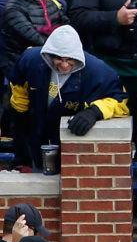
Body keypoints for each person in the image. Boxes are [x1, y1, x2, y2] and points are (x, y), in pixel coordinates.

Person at [7, 25, 130, 167]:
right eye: (59, 59)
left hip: (71, 139)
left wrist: (94, 112)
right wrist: (22, 148)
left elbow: (120, 99)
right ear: (48, 55)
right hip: (37, 130)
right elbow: (18, 96)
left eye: (70, 60)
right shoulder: (31, 61)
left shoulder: (98, 71)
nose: (64, 65)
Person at [1, 0, 68, 77]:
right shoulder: (14, 9)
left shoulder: (50, 3)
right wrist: (63, 48)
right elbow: (35, 39)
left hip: (53, 67)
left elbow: (66, 26)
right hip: (26, 73)